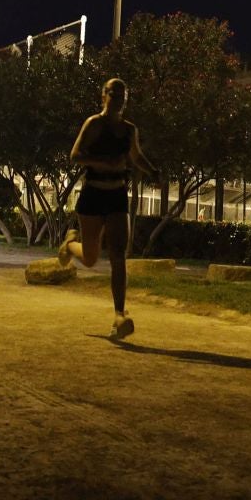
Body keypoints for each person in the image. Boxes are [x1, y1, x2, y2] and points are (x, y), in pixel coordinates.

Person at [56, 77, 154, 339]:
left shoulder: (130, 130)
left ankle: (119, 315)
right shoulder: (94, 124)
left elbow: (135, 156)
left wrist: (152, 170)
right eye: (114, 93)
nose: (119, 99)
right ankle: (69, 245)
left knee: (118, 255)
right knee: (89, 258)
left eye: (124, 95)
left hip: (117, 195)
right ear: (103, 96)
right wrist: (103, 162)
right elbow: (75, 155)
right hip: (93, 194)